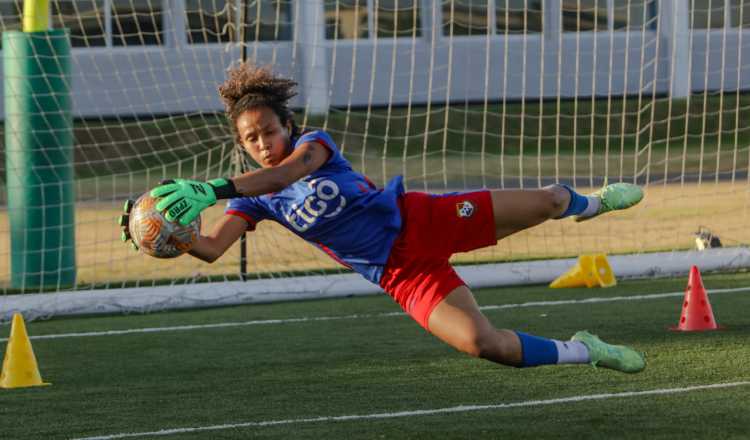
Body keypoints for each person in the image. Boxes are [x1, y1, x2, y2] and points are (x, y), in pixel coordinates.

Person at [120, 63, 646, 373]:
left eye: (268, 131)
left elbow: (287, 175)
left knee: (551, 201)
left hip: (424, 220)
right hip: (400, 274)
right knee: (480, 344)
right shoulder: (249, 199)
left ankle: (593, 202)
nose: (262, 144)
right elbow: (211, 247)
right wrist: (164, 235)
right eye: (251, 139)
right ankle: (586, 350)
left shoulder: (312, 145)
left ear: (287, 125)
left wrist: (210, 187)